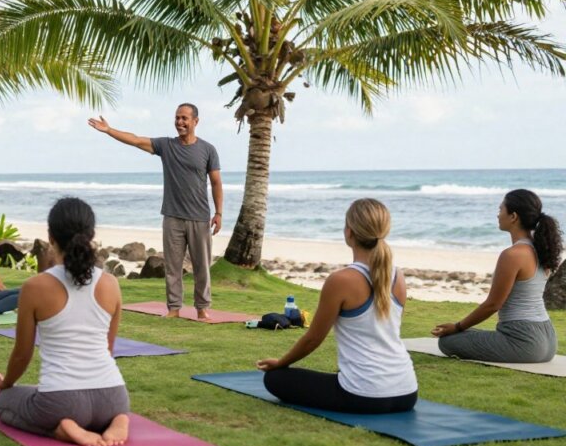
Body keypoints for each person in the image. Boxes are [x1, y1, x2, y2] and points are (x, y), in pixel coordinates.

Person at [0, 197, 130, 446]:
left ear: (51, 237)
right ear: (92, 235)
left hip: (63, 402)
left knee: (4, 402)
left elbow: (22, 354)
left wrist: (7, 383)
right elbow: (108, 349)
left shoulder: (35, 286)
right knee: (39, 392)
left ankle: (62, 429)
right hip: (114, 396)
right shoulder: (111, 284)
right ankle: (118, 420)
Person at [256, 199, 417, 414]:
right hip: (407, 393)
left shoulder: (341, 280)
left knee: (275, 378)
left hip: (363, 396)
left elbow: (313, 339)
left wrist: (280, 362)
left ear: (349, 232)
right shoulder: (398, 276)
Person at [89, 104, 223, 320]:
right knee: (173, 267)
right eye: (177, 118)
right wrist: (109, 130)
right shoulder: (166, 146)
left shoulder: (208, 150)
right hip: (172, 217)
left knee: (202, 267)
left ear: (195, 122)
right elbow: (136, 139)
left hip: (199, 217)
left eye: (184, 118)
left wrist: (219, 213)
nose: (180, 122)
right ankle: (174, 309)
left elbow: (216, 182)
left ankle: (202, 308)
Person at [432, 190, 561, 363]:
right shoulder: (542, 249)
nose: (498, 214)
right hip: (548, 339)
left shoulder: (513, 255)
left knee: (447, 341)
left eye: (501, 209)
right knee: (467, 335)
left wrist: (457, 326)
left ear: (513, 216)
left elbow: (493, 304)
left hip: (524, 341)